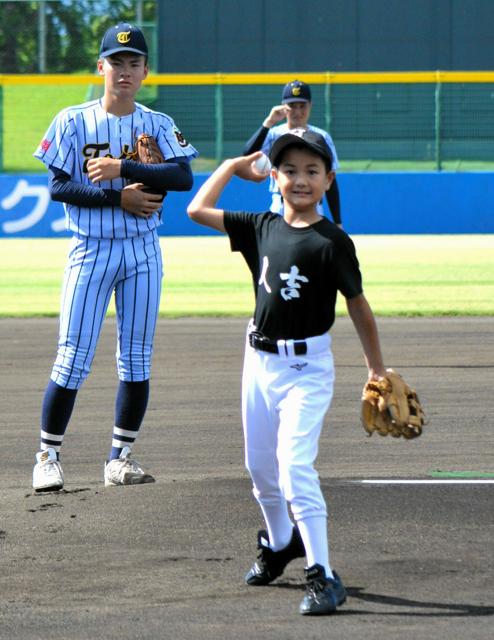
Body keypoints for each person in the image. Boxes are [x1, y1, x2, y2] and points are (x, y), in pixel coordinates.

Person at [187, 130, 387, 615]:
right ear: (274, 178)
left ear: (328, 179)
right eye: (290, 170)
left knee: (294, 467)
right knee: (259, 469)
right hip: (257, 362)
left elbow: (358, 306)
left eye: (312, 171)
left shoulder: (332, 241)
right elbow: (195, 210)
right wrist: (233, 167)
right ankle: (281, 545)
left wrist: (377, 370)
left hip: (307, 368)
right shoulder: (261, 226)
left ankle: (322, 573)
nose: (300, 179)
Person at [32, 22, 197, 491]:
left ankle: (119, 459)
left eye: (133, 63)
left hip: (144, 250)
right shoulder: (72, 120)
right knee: (72, 357)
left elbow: (183, 178)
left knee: (137, 360)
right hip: (90, 249)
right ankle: (48, 455)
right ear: (100, 66)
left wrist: (125, 167)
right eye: (116, 62)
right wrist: (116, 197)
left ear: (145, 71)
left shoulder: (158, 124)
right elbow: (58, 186)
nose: (124, 71)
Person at [243, 79, 342, 227]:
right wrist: (268, 122)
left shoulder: (322, 137)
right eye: (292, 106)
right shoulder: (272, 134)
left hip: (314, 204)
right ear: (284, 107)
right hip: (280, 206)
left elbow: (331, 180)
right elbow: (246, 155)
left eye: (302, 106)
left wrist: (337, 221)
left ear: (310, 105)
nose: (297, 111)